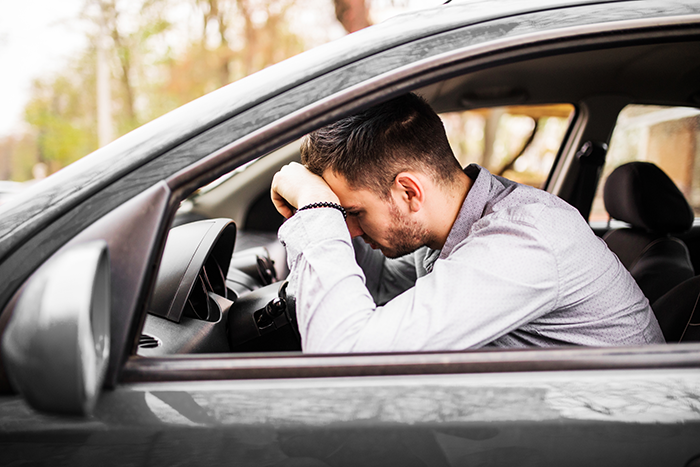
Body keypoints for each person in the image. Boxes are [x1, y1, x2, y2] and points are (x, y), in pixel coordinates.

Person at [270, 92, 664, 353]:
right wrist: (324, 210)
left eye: (353, 213)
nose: (350, 230)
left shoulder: (523, 240)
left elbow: (343, 359)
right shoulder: (453, 225)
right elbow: (378, 284)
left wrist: (316, 212)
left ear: (409, 193)